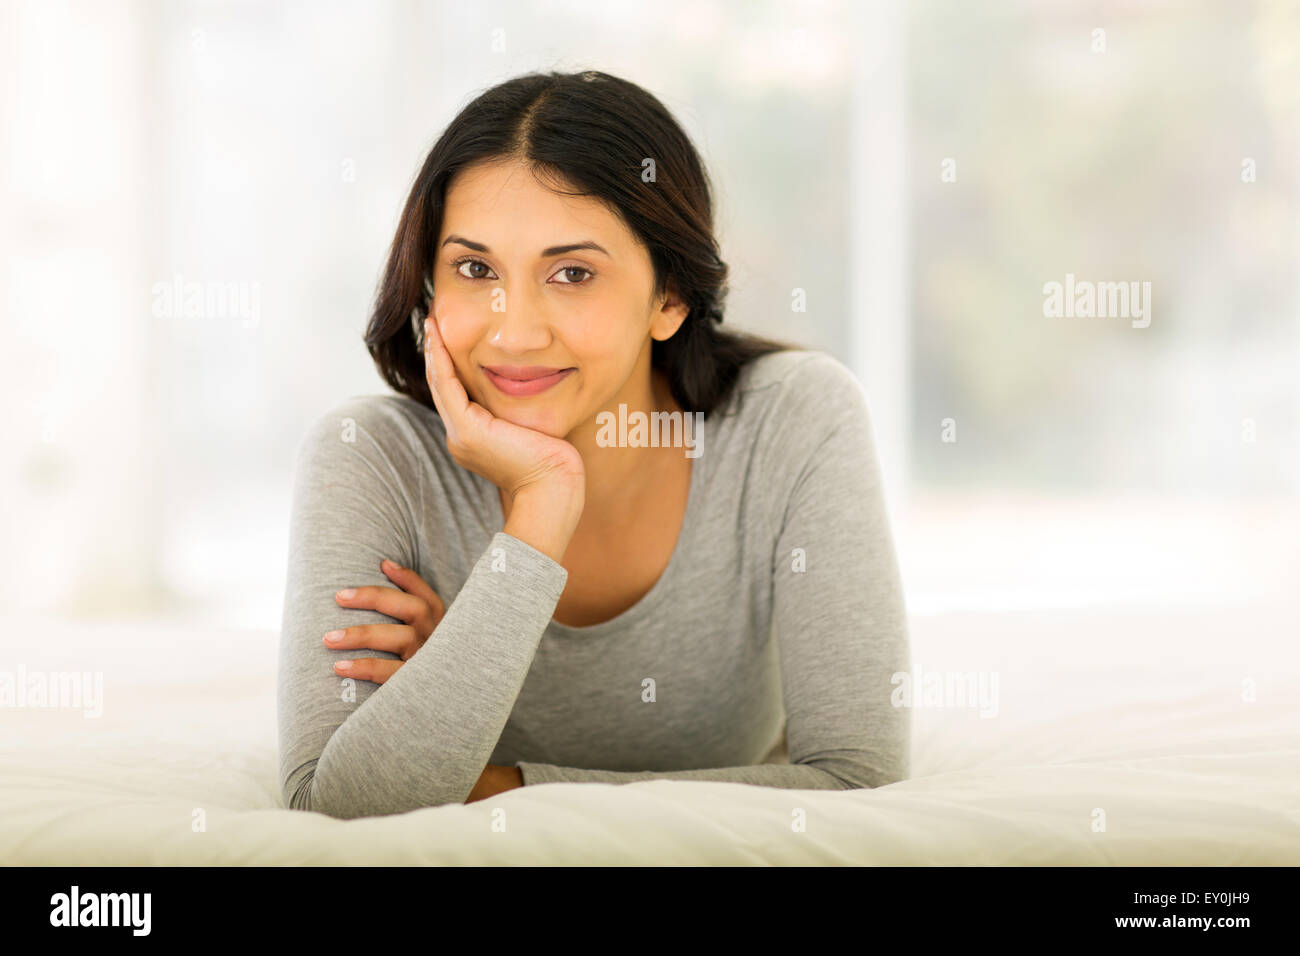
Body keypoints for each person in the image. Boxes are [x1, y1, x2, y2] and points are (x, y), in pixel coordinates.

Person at [277, 70, 910, 819]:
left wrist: (501, 783)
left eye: (572, 273)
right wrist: (540, 510)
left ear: (669, 297)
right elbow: (335, 804)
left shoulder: (794, 421)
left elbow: (856, 782)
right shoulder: (370, 457)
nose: (514, 331)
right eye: (475, 269)